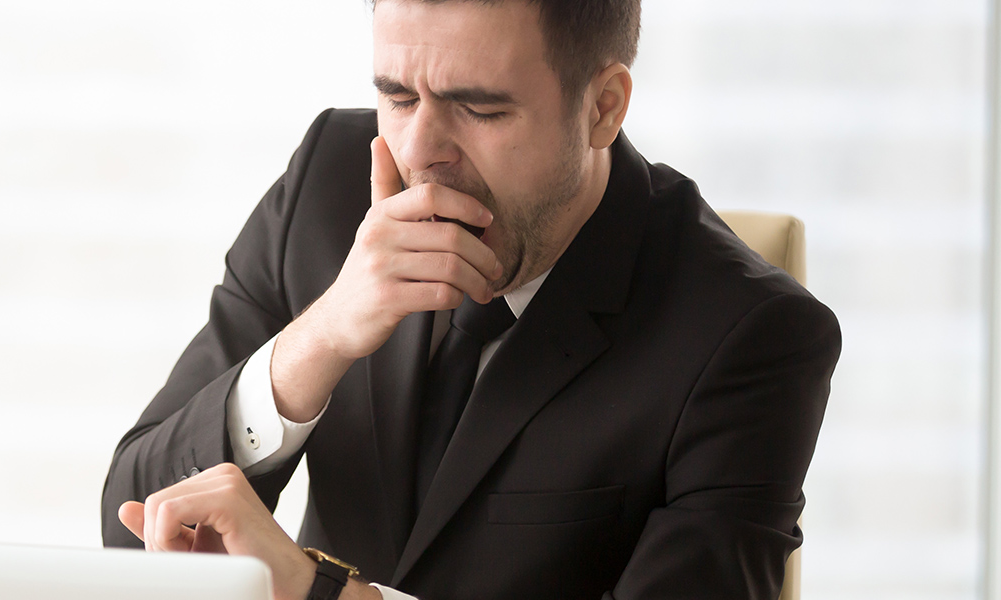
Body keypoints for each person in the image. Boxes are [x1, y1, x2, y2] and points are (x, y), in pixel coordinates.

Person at [99, 1, 842, 599]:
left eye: (480, 110)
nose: (421, 150)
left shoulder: (750, 337)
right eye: (395, 94)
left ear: (604, 108)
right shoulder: (327, 181)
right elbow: (130, 526)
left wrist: (321, 594)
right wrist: (318, 339)